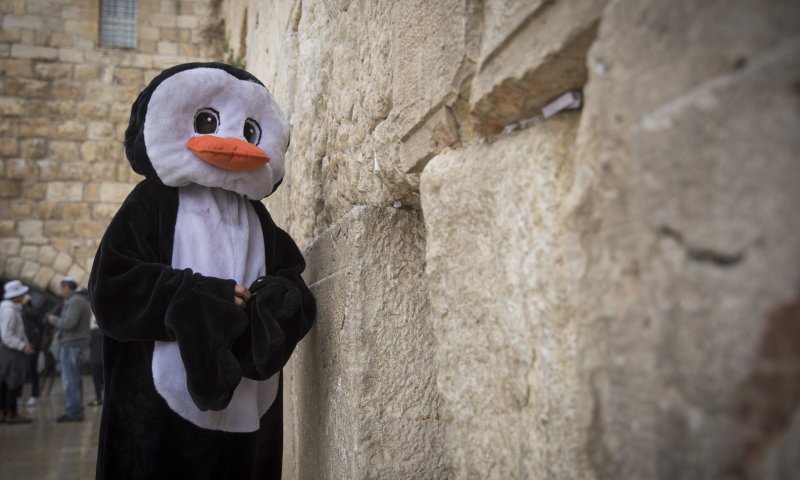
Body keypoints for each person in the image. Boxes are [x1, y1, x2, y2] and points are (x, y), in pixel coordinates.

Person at [48, 276, 92, 422]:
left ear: (67, 286)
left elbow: (69, 323)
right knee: (74, 379)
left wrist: (54, 320)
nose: (61, 291)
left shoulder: (75, 301)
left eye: (62, 287)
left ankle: (74, 412)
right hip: (77, 345)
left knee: (70, 381)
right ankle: (76, 410)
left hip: (72, 345)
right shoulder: (80, 300)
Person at [0, 280, 35, 424]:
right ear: (17, 295)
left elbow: (17, 331)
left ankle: (4, 413)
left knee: (6, 382)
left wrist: (25, 343)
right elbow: (7, 335)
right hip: (11, 351)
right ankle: (11, 413)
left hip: (11, 349)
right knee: (12, 382)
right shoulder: (9, 311)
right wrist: (22, 346)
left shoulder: (12, 308)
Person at [21, 296, 49, 407]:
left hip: (32, 347)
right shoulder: (22, 314)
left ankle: (34, 395)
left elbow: (41, 329)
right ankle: (19, 396)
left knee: (33, 372)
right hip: (22, 346)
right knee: (23, 372)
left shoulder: (34, 314)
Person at [87, 316, 103, 407]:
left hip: (95, 359)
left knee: (97, 380)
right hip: (104, 359)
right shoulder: (107, 333)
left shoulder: (92, 333)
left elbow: (89, 345)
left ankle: (98, 398)